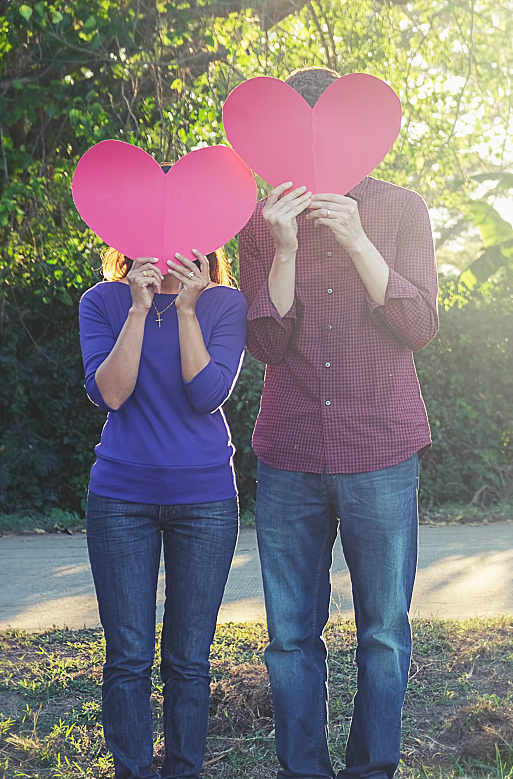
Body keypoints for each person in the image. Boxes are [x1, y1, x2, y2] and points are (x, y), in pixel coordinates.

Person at [238, 66, 439, 779]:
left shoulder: (401, 209)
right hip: (290, 453)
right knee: (291, 637)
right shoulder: (262, 225)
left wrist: (357, 241)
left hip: (381, 450)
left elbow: (418, 325)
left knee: (382, 633)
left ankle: (370, 769)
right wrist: (286, 247)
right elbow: (264, 342)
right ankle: (304, 770)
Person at [79, 244, 249, 779]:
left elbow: (207, 394)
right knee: (128, 658)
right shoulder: (102, 302)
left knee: (188, 661)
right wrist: (137, 308)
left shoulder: (225, 305)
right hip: (120, 499)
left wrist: (187, 310)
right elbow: (110, 392)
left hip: (205, 502)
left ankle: (183, 772)